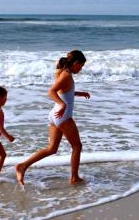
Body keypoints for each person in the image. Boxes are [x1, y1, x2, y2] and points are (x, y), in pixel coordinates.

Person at [15, 50, 90, 185]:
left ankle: (23, 166)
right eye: (81, 66)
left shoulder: (64, 73)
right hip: (63, 116)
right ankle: (74, 178)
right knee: (77, 146)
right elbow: (51, 91)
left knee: (52, 148)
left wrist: (79, 93)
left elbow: (64, 92)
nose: (81, 69)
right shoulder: (66, 75)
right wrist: (62, 105)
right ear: (76, 63)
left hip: (55, 115)